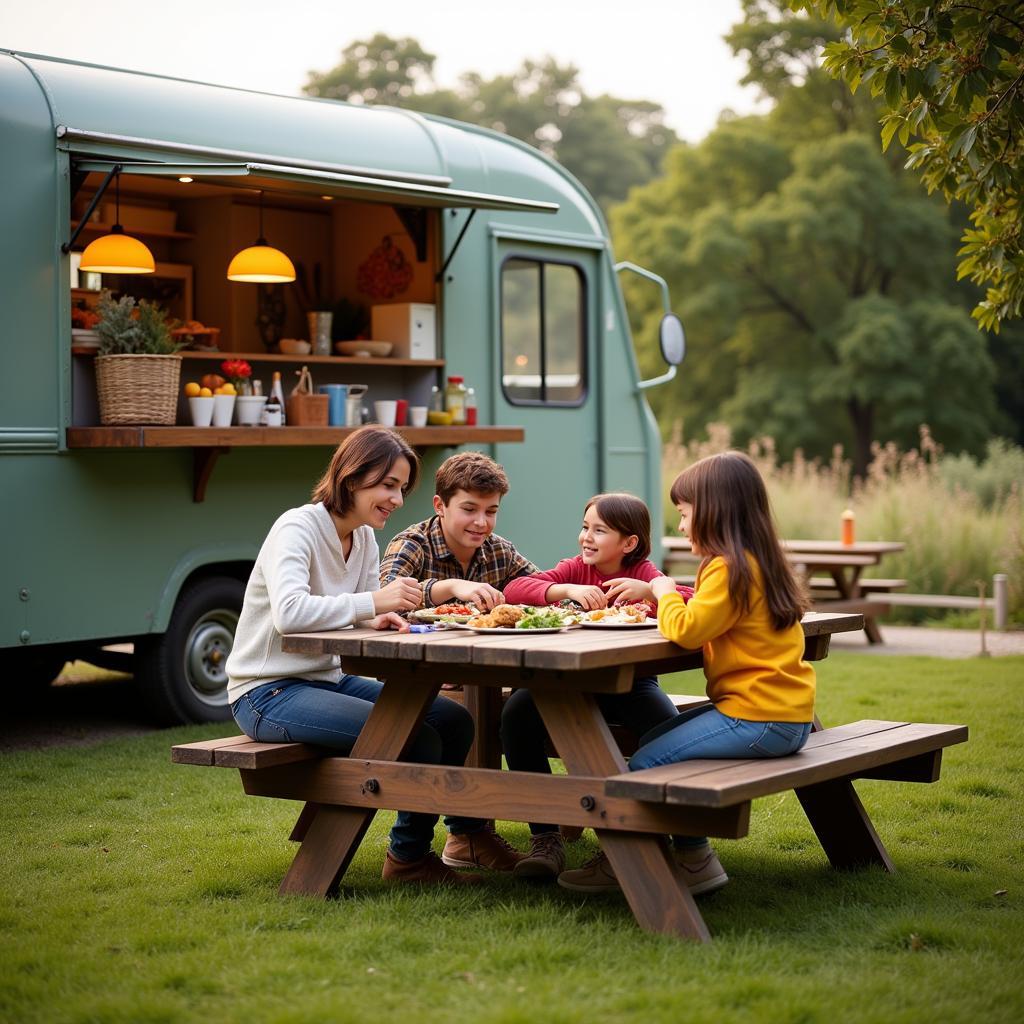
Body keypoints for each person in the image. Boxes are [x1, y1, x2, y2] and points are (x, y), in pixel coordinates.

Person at [226, 426, 482, 887]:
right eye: (387, 485)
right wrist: (375, 605)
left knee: (452, 720)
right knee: (416, 737)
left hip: (324, 680)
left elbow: (354, 611)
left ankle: (432, 850)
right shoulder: (297, 528)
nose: (397, 499)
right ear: (350, 477)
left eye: (402, 488)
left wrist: (374, 621)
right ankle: (408, 860)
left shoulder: (362, 537)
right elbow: (289, 614)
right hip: (267, 693)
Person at [557, 451, 814, 897]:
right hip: (783, 715)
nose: (680, 526)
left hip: (756, 718)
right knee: (653, 738)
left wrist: (662, 588)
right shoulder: (757, 561)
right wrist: (667, 591)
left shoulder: (727, 567)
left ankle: (660, 862)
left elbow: (688, 629)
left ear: (714, 511)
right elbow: (706, 613)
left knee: (644, 763)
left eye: (684, 514)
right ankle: (691, 857)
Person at [501, 492, 693, 881]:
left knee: (669, 733)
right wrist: (564, 591)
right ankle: (545, 837)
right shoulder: (575, 569)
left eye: (599, 530)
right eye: (585, 527)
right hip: (566, 684)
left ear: (629, 543)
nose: (586, 537)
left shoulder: (644, 576)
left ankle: (678, 839)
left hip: (630, 684)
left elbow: (693, 599)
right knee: (515, 716)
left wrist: (654, 592)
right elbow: (516, 590)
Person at [379, 450, 539, 873]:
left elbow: (534, 585)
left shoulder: (497, 551)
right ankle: (462, 834)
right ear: (440, 505)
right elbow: (388, 591)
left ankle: (470, 834)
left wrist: (561, 593)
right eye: (469, 509)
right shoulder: (411, 543)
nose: (481, 523)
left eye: (491, 511)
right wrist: (450, 587)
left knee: (516, 705)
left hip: (477, 676)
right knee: (455, 715)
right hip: (411, 679)